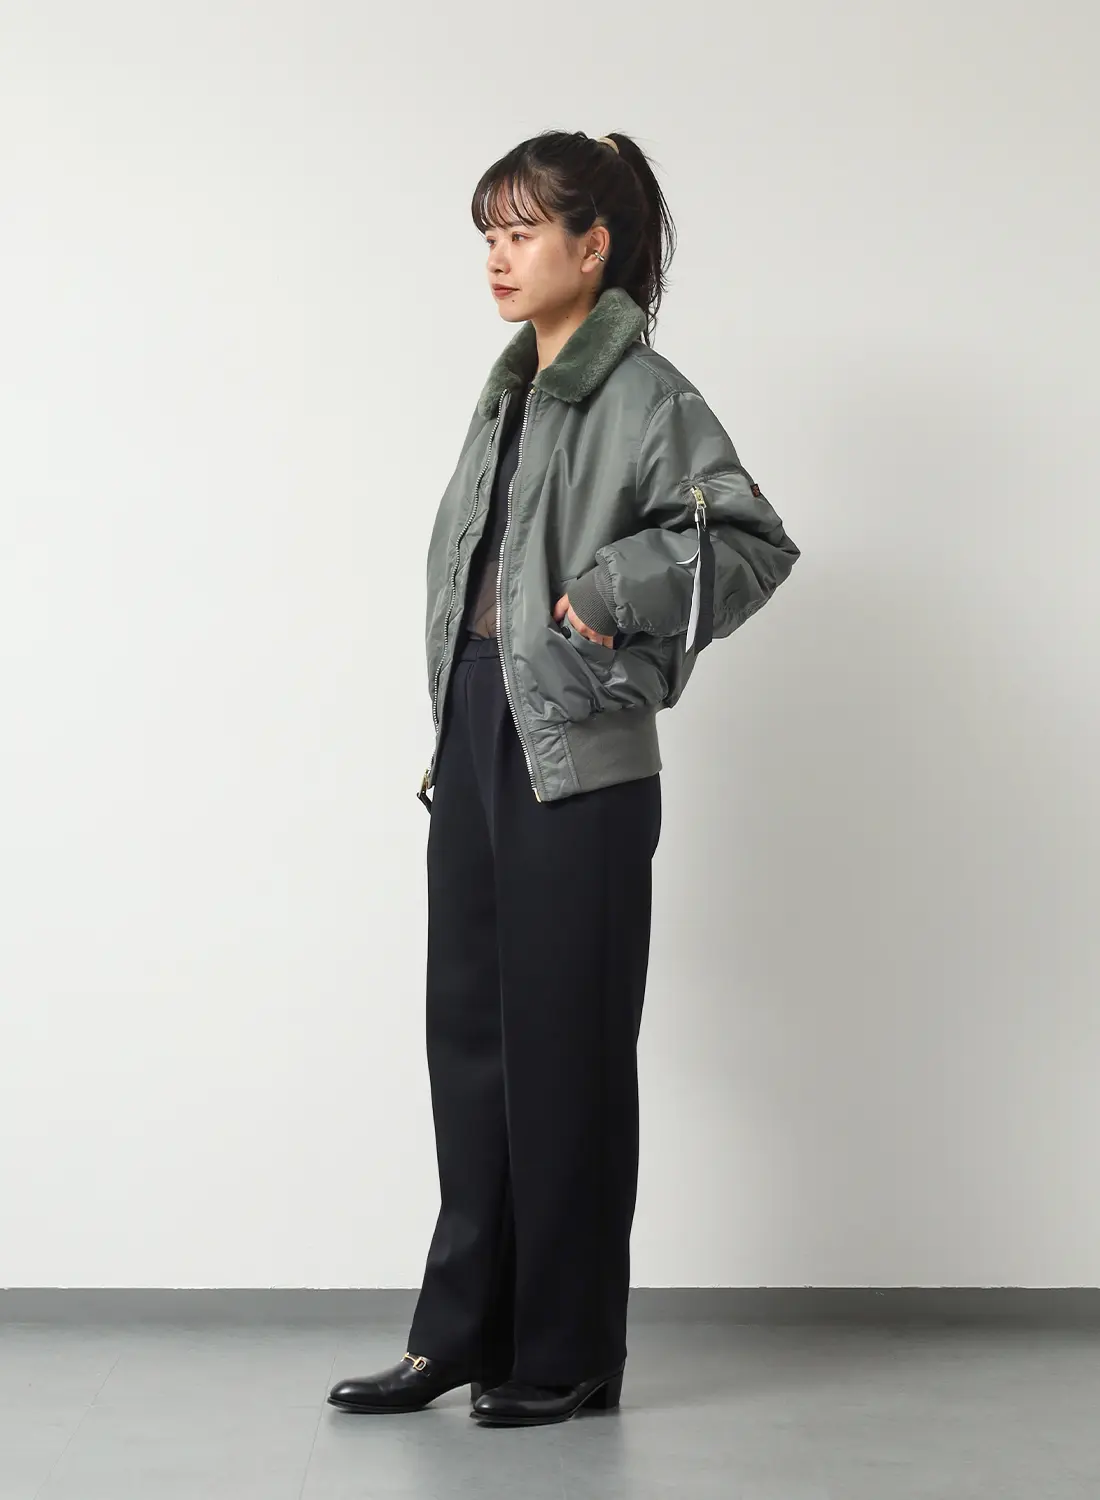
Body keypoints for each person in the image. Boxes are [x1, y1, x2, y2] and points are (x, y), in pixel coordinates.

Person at [328, 129, 799, 1429]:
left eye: (523, 230)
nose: (499, 255)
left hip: (578, 758)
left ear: (594, 249)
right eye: (489, 232)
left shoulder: (644, 396)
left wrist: (611, 590)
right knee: (473, 1049)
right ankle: (460, 1335)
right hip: (476, 738)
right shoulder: (507, 396)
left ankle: (568, 1350)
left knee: (567, 1058)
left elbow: (748, 542)